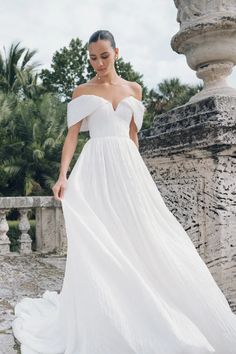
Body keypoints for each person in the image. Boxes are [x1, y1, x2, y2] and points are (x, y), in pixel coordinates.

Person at [12, 29, 236, 354]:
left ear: (117, 52)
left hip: (127, 168)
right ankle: (106, 310)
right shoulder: (82, 91)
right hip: (95, 168)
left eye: (104, 55)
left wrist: (139, 177)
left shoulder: (134, 90)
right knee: (100, 239)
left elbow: (133, 136)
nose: (99, 63)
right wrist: (62, 175)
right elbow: (72, 137)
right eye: (92, 57)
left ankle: (149, 307)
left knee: (144, 236)